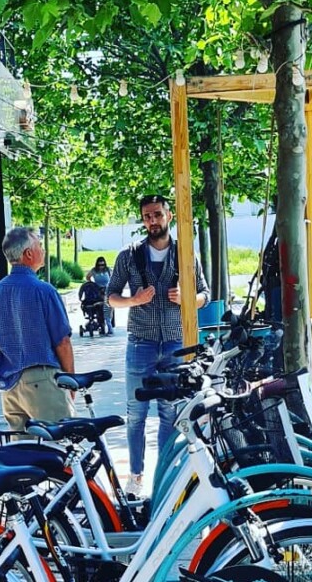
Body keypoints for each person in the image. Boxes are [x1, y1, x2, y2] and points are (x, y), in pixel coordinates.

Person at [107, 194, 210, 495]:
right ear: (143, 220)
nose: (153, 221)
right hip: (141, 342)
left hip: (176, 343)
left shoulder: (186, 254)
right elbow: (110, 296)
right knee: (136, 412)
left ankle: (164, 476)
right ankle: (135, 476)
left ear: (169, 216)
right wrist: (132, 300)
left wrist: (190, 299)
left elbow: (205, 294)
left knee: (170, 412)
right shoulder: (129, 256)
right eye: (147, 216)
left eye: (158, 214)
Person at [0, 227, 76, 432]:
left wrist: (2, 342)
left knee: (23, 454)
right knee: (63, 446)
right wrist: (71, 381)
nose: (43, 250)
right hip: (42, 379)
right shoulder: (44, 290)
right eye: (39, 245)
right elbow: (62, 342)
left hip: (10, 384)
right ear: (28, 253)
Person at [89, 256, 114, 333]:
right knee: (100, 306)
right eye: (99, 265)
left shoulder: (108, 270)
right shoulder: (94, 270)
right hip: (98, 290)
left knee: (108, 307)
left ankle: (109, 325)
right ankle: (102, 323)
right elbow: (88, 277)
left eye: (102, 265)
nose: (101, 267)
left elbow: (113, 278)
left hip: (107, 289)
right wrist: (92, 284)